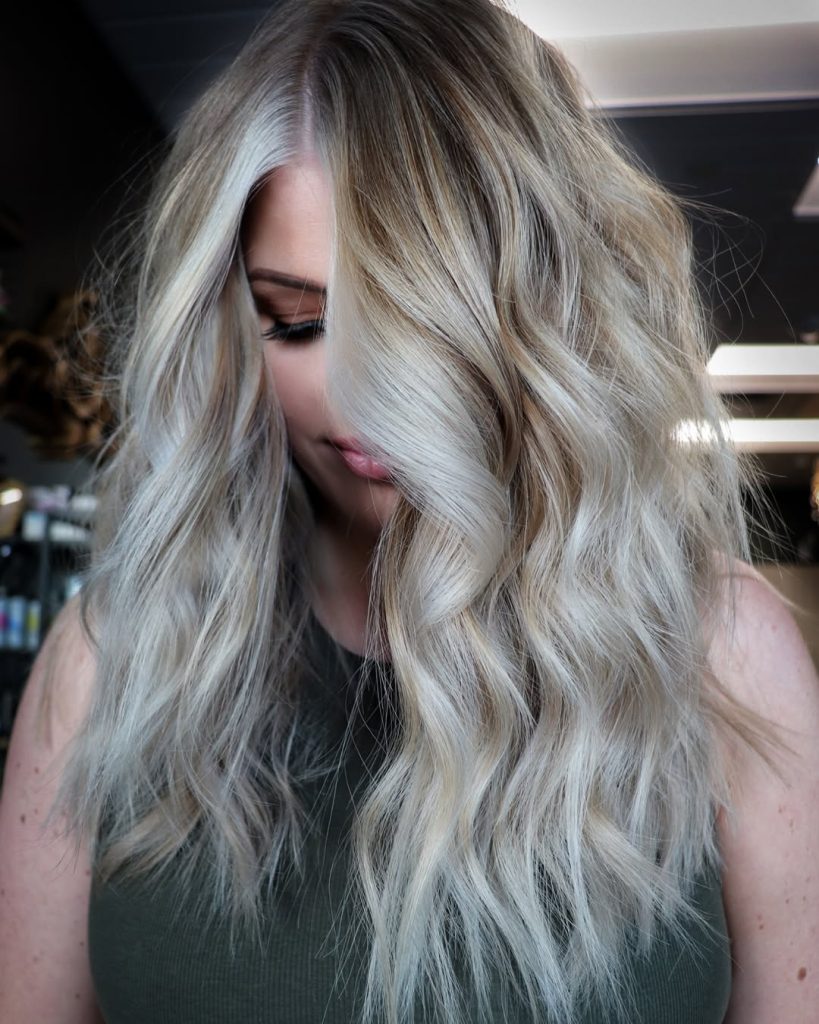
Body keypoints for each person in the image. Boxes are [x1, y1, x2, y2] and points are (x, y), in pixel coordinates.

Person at [1, 1, 817, 1022]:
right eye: (299, 320)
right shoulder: (108, 661)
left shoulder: (722, 656)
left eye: (422, 323)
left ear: (546, 314)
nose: (365, 392)